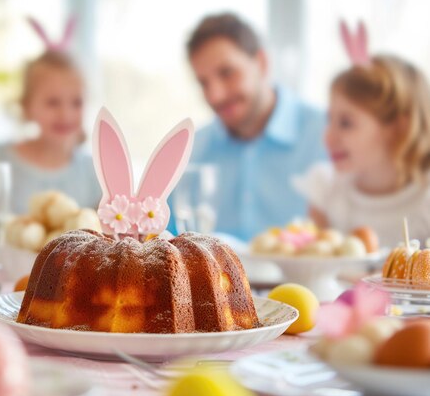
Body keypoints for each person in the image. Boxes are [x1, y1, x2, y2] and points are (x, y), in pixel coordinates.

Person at [178, 13, 327, 241]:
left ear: (262, 63)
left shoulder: (328, 135)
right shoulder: (191, 149)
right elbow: (160, 235)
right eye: (203, 82)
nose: (215, 95)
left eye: (227, 73)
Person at [294, 54, 430, 246]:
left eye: (346, 123)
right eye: (329, 120)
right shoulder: (326, 188)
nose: (327, 137)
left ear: (398, 129)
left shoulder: (425, 201)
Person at [0, 19, 101, 213]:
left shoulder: (93, 170)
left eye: (76, 102)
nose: (65, 114)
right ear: (27, 106)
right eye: (52, 102)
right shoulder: (3, 160)